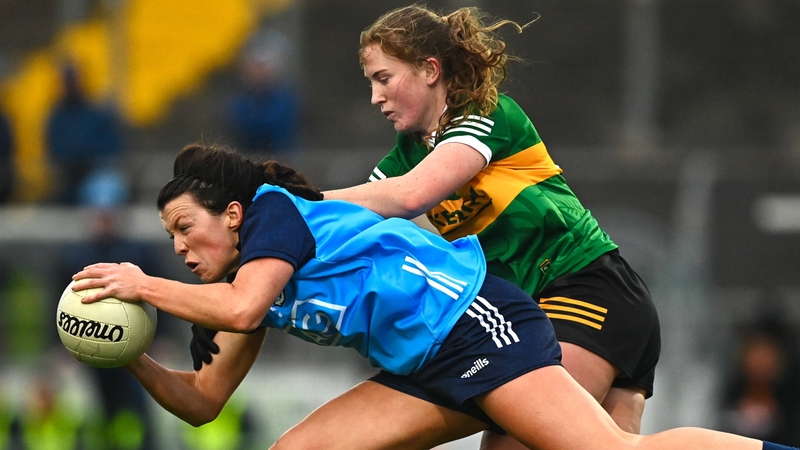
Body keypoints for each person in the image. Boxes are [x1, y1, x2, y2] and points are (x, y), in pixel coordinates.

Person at [68, 144, 800, 450]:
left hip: (481, 329)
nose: (179, 250)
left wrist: (138, 285)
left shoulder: (272, 214)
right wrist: (130, 355)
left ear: (230, 215)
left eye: (184, 229)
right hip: (424, 366)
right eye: (168, 242)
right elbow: (202, 402)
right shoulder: (246, 281)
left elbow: (242, 312)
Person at [197, 5, 655, 449]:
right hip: (546, 309)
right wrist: (233, 278)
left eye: (384, 78)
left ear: (430, 69)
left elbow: (409, 196)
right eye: (371, 83)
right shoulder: (403, 159)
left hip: (585, 290)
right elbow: (334, 232)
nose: (376, 97)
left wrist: (286, 202)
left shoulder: (485, 113)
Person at [46, 61, 125, 205]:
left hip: (95, 175)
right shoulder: (56, 117)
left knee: (105, 188)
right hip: (67, 179)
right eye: (66, 80)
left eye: (72, 79)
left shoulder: (97, 114)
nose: (69, 85)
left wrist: (85, 155)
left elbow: (112, 148)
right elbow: (54, 150)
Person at [226, 29, 300, 157]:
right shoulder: (241, 100)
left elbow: (277, 130)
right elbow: (237, 128)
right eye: (255, 66)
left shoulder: (284, 98)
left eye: (262, 67)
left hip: (281, 161)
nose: (258, 72)